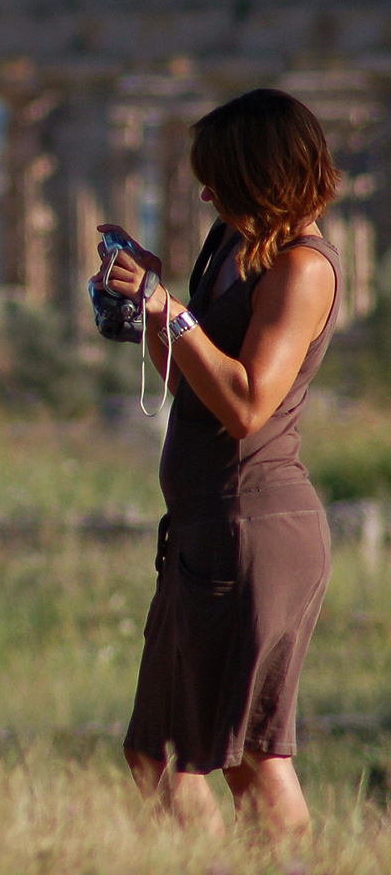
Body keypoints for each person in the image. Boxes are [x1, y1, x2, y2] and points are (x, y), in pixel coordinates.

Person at [95, 89, 340, 839]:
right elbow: (187, 380)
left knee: (250, 755)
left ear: (261, 174)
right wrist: (143, 307)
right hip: (201, 530)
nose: (202, 192)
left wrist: (170, 309)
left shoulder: (302, 268)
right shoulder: (233, 248)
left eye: (216, 177)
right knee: (156, 754)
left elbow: (244, 404)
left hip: (253, 528)